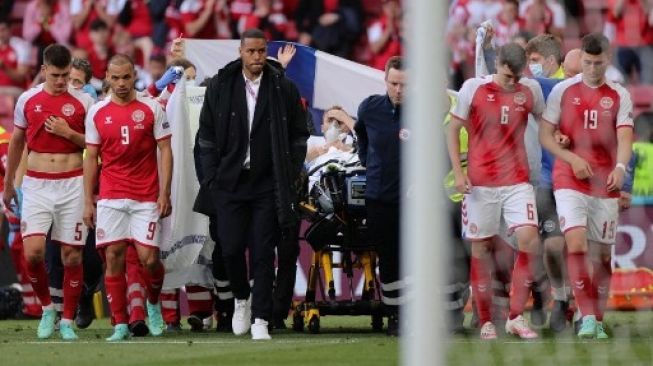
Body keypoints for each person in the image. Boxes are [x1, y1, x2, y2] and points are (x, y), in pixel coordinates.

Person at [196, 28, 308, 340]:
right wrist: (212, 177)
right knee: (230, 249)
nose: (257, 57)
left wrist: (289, 168)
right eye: (251, 52)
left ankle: (260, 318)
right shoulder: (220, 85)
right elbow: (205, 135)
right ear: (241, 52)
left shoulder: (282, 87)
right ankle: (241, 300)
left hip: (267, 182)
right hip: (230, 182)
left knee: (262, 251)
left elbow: (300, 133)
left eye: (261, 51)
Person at [539, 33, 634, 340]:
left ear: (608, 59)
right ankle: (587, 317)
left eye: (598, 62)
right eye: (588, 62)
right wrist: (569, 155)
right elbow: (545, 136)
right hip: (569, 178)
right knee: (576, 243)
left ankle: (597, 315)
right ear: (581, 59)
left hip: (604, 181)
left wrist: (620, 169)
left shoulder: (620, 94)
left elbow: (624, 137)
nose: (593, 68)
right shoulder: (564, 90)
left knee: (603, 256)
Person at [448, 43, 545, 340]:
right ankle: (487, 321)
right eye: (506, 75)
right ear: (497, 64)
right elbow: (451, 129)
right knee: (482, 248)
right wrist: (460, 172)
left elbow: (547, 122)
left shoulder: (529, 91)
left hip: (517, 180)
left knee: (529, 240)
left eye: (516, 76)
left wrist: (560, 135)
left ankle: (516, 316)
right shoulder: (472, 89)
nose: (511, 81)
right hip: (481, 183)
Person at [4, 44, 94, 340]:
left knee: (71, 257)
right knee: (33, 254)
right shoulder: (28, 100)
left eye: (66, 75)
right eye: (55, 75)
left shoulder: (83, 102)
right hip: (37, 184)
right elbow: (17, 142)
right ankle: (47, 308)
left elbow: (96, 148)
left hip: (72, 183)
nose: (60, 81)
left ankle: (66, 320)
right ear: (43, 70)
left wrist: (69, 133)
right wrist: (8, 185)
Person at [83, 54, 173, 342]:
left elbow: (166, 151)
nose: (121, 83)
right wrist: (88, 200)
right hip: (111, 195)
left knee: (149, 260)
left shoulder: (151, 107)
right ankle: (120, 323)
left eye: (126, 77)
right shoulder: (97, 112)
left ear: (135, 76)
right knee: (113, 257)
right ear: (107, 78)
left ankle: (154, 303)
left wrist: (165, 192)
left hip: (145, 196)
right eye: (115, 78)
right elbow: (91, 157)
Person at [355, 56, 405, 336]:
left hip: (414, 201)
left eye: (404, 85)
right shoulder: (369, 108)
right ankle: (395, 315)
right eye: (394, 84)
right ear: (385, 81)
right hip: (378, 197)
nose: (399, 90)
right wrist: (366, 160)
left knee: (410, 258)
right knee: (387, 258)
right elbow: (360, 134)